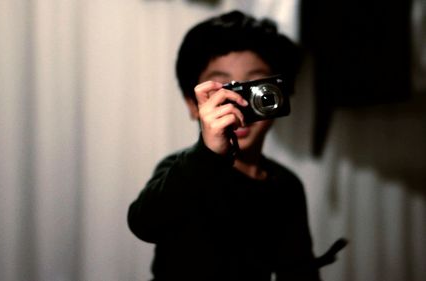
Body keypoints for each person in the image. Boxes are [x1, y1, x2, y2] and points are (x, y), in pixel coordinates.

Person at [128, 10, 321, 281]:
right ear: (193, 105)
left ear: (279, 96)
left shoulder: (285, 185)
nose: (237, 104)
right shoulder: (183, 171)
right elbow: (144, 224)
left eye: (254, 89)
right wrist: (207, 155)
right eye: (221, 92)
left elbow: (299, 271)